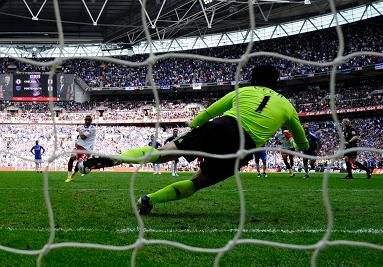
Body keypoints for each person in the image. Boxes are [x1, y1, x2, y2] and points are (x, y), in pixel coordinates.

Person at [78, 65, 309, 215]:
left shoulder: (242, 92)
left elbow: (210, 112)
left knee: (160, 155)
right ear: (276, 82)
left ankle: (110, 159)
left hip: (220, 127)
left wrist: (194, 127)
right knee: (199, 182)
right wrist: (303, 148)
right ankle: (148, 200)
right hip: (243, 147)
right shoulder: (288, 107)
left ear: (253, 79)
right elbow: (301, 139)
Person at [65, 115, 96, 182]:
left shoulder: (92, 128)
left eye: (89, 120)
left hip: (87, 149)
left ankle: (74, 174)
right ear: (84, 120)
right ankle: (69, 177)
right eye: (86, 120)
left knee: (80, 162)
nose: (87, 121)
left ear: (91, 121)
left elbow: (83, 137)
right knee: (71, 158)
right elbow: (79, 136)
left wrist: (79, 130)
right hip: (79, 146)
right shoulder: (82, 127)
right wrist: (76, 143)